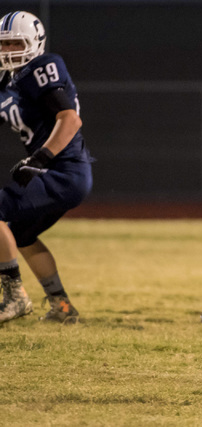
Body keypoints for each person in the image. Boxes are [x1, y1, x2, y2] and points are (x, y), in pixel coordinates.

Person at [0, 11, 92, 324]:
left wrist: (39, 159)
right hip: (55, 173)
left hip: (64, 171)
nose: (9, 50)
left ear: (35, 42)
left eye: (16, 43)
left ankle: (15, 298)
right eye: (4, 44)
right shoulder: (8, 84)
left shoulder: (42, 66)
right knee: (21, 235)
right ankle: (62, 306)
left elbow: (70, 119)